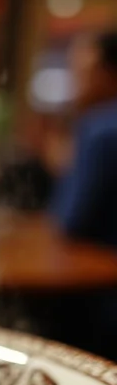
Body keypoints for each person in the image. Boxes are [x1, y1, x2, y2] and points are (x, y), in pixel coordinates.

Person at [50, 29, 117, 248]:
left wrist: (64, 166)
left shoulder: (99, 130)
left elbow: (69, 221)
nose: (74, 82)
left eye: (81, 71)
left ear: (108, 72)